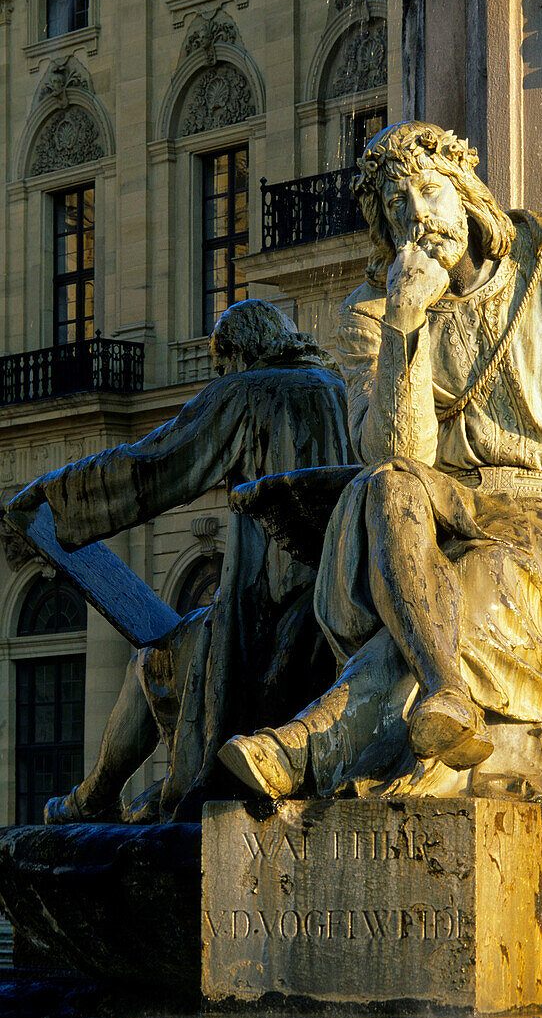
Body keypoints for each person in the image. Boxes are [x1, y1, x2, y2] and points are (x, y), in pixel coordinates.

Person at [218, 122, 542, 870]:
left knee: (479, 585)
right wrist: (406, 323)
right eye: (393, 205)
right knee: (385, 486)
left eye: (426, 190)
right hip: (438, 514)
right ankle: (447, 690)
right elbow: (396, 455)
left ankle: (315, 741)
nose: (414, 214)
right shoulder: (373, 312)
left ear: (464, 191)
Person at [6, 300, 351, 823]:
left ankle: (100, 792)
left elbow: (153, 466)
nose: (217, 376)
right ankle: (122, 789)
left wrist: (56, 498)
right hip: (331, 599)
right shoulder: (335, 387)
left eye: (219, 366)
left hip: (271, 612)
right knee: (181, 643)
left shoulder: (249, 391)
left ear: (237, 355)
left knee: (156, 656)